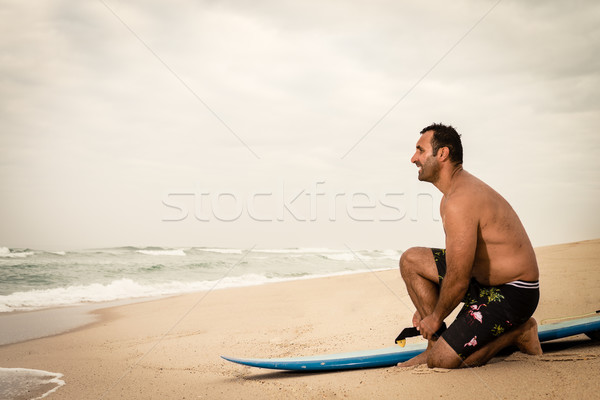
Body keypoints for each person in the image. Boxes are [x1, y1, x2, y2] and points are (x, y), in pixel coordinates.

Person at [397, 123, 542, 369]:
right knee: (411, 260)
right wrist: (426, 308)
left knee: (443, 361)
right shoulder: (449, 198)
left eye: (420, 150)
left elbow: (458, 279)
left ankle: (520, 331)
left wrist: (434, 317)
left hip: (515, 292)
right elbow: (456, 265)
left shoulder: (461, 200)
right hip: (483, 281)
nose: (414, 158)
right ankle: (434, 345)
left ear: (442, 154)